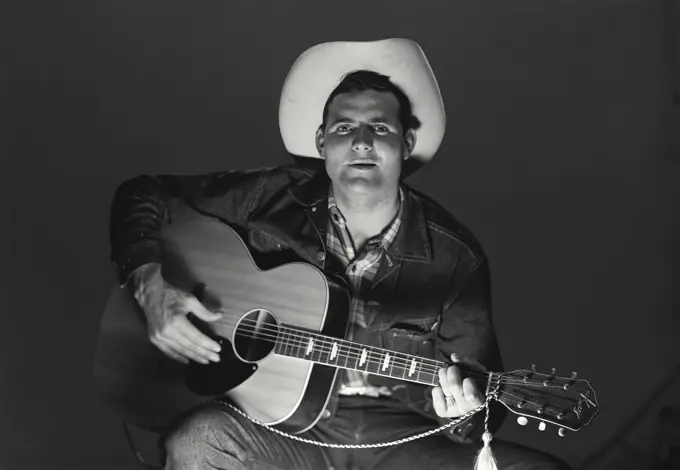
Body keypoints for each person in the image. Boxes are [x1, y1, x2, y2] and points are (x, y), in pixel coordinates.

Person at [109, 38, 571, 470]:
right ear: (322, 144)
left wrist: (466, 409)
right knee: (195, 442)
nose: (362, 141)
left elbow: (480, 413)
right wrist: (148, 282)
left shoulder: (456, 260)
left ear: (405, 144)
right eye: (345, 128)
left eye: (381, 128)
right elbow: (143, 194)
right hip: (275, 430)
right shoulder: (269, 197)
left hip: (399, 442)